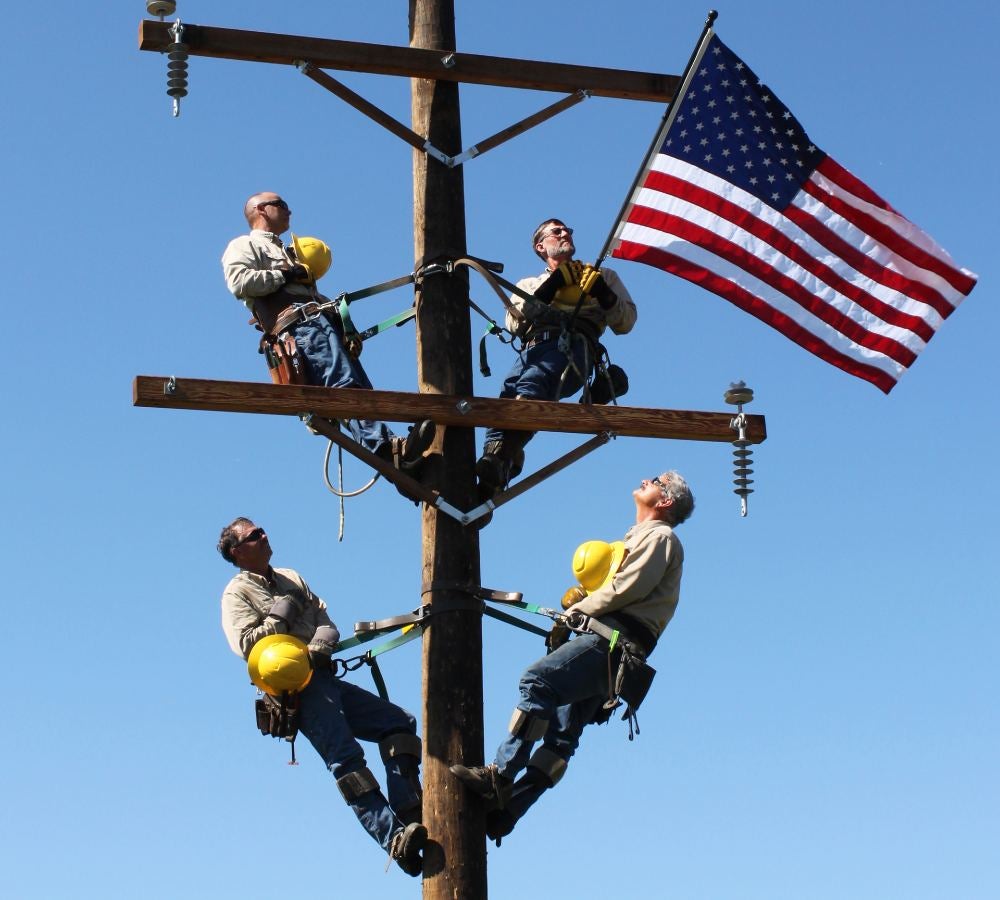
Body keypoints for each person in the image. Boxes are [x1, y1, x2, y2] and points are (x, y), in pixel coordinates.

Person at [450, 470, 694, 843]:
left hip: (612, 640)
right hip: (617, 648)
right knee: (562, 735)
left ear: (665, 502)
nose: (646, 479)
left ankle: (499, 776)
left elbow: (628, 588)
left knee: (538, 682)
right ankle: (509, 810)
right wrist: (581, 607)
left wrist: (579, 612)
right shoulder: (638, 539)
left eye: (656, 481)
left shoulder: (661, 537)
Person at [218, 517, 427, 876]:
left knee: (399, 722)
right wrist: (282, 611)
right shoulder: (237, 593)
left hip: (323, 675)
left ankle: (411, 810)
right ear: (238, 551)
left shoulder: (290, 577)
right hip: (295, 688)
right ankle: (395, 841)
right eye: (254, 535)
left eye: (263, 530)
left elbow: (326, 623)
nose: (264, 535)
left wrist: (317, 648)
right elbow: (249, 645)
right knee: (346, 759)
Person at [222, 192, 434, 475]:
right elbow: (240, 283)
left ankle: (404, 467)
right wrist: (285, 274)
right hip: (299, 328)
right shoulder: (245, 245)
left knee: (358, 388)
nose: (289, 211)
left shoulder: (285, 250)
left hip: (317, 324)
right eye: (281, 205)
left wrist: (343, 325)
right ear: (260, 210)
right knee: (343, 386)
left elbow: (307, 296)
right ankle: (387, 449)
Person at [475, 218, 637, 501]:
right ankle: (498, 468)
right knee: (506, 400)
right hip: (532, 349)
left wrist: (602, 292)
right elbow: (515, 322)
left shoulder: (602, 276)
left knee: (533, 386)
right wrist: (553, 285)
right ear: (541, 246)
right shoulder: (529, 283)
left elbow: (625, 323)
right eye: (557, 231)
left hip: (574, 350)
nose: (565, 233)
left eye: (567, 230)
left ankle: (502, 457)